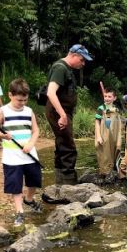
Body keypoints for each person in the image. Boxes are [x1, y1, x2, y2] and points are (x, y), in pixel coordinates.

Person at [0, 78, 42, 227]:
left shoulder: (29, 111)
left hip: (29, 154)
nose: (22, 103)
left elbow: (36, 130)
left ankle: (30, 200)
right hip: (12, 157)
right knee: (15, 185)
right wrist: (2, 135)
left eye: (25, 100)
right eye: (19, 100)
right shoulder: (3, 110)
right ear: (10, 95)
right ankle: (20, 212)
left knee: (34, 181)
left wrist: (31, 144)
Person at [46, 44, 93, 185]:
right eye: (82, 60)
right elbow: (50, 92)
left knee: (62, 143)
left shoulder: (67, 69)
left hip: (62, 111)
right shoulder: (60, 68)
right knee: (68, 146)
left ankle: (60, 181)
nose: (83, 64)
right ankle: (68, 183)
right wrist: (62, 115)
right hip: (58, 111)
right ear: (73, 55)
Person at [94, 86, 122, 179]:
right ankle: (104, 173)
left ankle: (113, 172)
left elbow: (118, 124)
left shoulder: (116, 109)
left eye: (109, 96)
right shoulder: (101, 108)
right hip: (103, 135)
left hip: (114, 136)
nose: (107, 98)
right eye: (105, 96)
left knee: (115, 153)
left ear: (114, 98)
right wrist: (98, 136)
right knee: (104, 154)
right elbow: (97, 122)